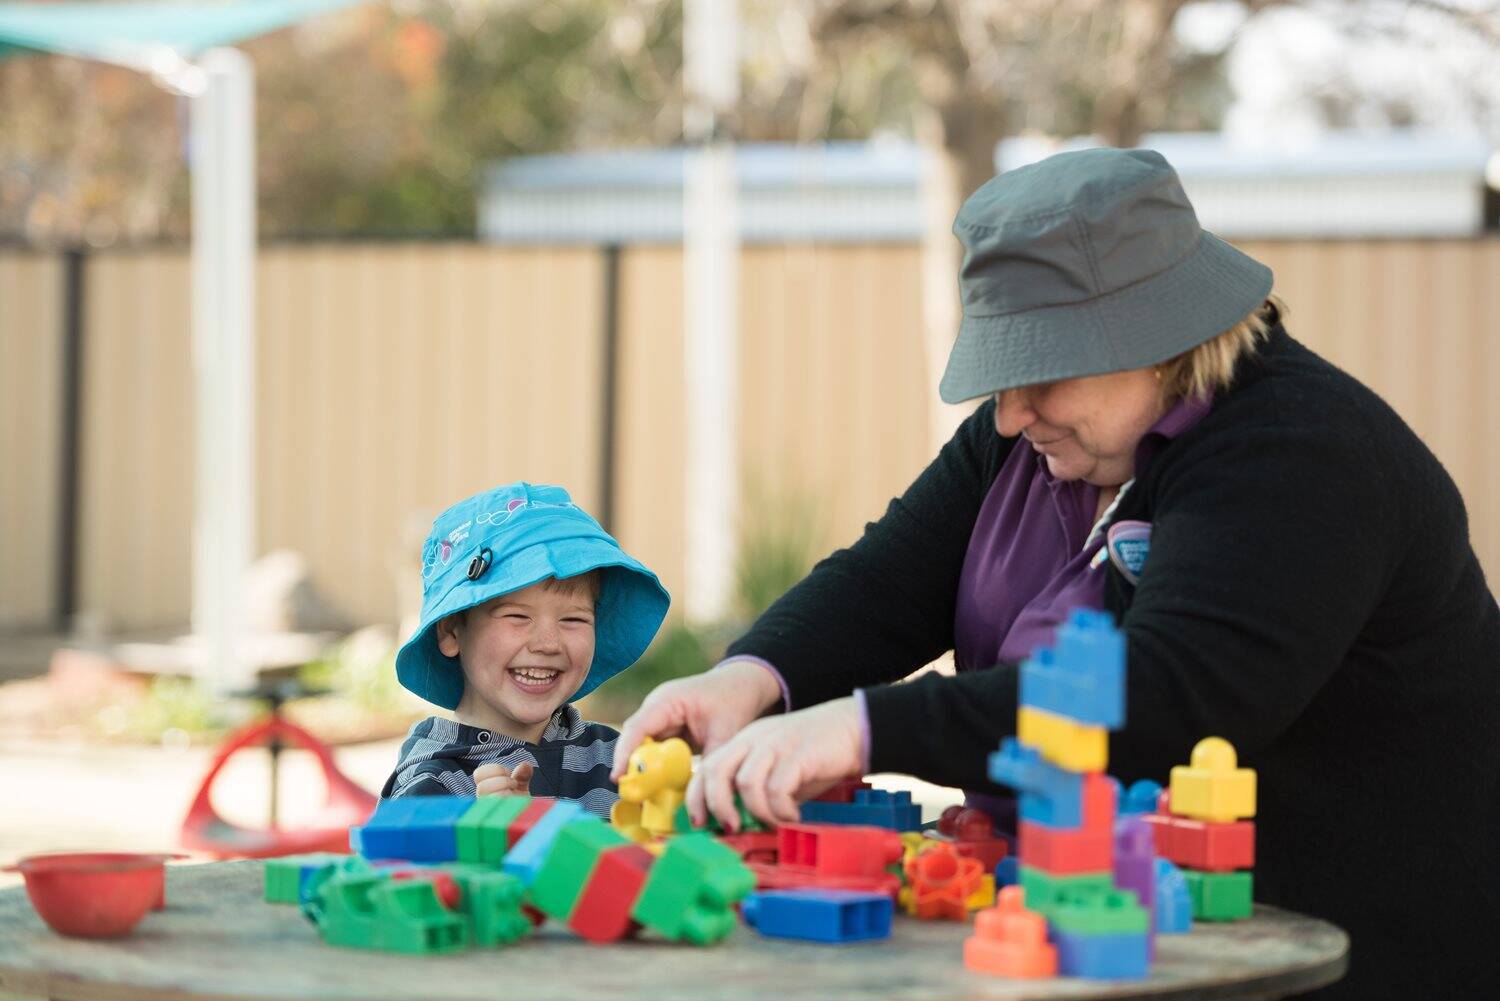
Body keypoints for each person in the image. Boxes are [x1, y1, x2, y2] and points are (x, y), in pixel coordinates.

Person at [613, 148, 1500, 997]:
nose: (1008, 414)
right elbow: (888, 579)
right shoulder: (1041, 434)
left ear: (1160, 340)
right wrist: (750, 676)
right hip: (1102, 934)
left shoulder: (1300, 452)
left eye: (1040, 372)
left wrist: (861, 729)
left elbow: (1167, 690)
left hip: (1342, 949)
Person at [383, 481, 668, 818]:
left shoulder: (615, 758)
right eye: (517, 616)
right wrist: (491, 835)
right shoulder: (432, 785)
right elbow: (409, 871)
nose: (548, 643)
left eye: (573, 619)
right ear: (451, 632)